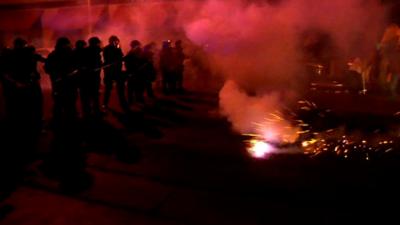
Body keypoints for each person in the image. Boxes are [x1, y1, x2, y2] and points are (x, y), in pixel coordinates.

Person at [45, 37, 78, 124]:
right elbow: (48, 69)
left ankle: (61, 122)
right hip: (64, 84)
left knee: (61, 104)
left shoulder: (54, 55)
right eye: (66, 44)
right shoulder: (70, 54)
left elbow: (47, 69)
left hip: (62, 84)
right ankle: (67, 122)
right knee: (66, 105)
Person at [102, 35, 128, 112]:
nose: (116, 42)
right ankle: (105, 104)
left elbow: (121, 56)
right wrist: (117, 50)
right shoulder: (107, 48)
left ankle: (122, 103)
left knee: (120, 88)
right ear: (111, 41)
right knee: (108, 89)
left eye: (117, 40)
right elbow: (111, 58)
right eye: (115, 41)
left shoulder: (117, 47)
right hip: (110, 71)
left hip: (117, 71)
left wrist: (118, 49)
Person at [81, 37, 102, 117]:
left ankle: (89, 111)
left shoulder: (87, 51)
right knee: (93, 94)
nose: (99, 44)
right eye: (97, 43)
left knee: (90, 95)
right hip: (91, 76)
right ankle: (93, 111)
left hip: (90, 76)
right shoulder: (94, 51)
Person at [125, 40, 145, 104]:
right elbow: (128, 63)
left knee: (135, 86)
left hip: (135, 72)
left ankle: (135, 99)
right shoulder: (132, 53)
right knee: (134, 86)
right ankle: (134, 99)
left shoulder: (132, 52)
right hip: (134, 72)